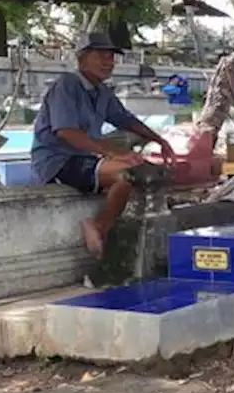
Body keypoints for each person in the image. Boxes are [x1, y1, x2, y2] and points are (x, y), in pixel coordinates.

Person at [31, 33, 176, 257]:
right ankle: (99, 227)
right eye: (101, 56)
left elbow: (125, 119)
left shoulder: (102, 92)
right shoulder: (67, 84)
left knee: (141, 171)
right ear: (82, 59)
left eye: (111, 57)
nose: (108, 62)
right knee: (128, 172)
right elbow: (67, 133)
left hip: (86, 159)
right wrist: (115, 153)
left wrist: (159, 140)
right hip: (58, 161)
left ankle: (103, 227)